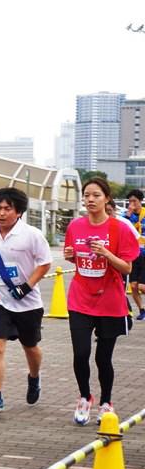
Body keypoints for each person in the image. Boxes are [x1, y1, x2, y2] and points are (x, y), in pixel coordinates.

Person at [63, 178, 137, 425]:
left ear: (106, 198)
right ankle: (85, 397)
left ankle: (106, 402)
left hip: (110, 301)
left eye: (96, 195)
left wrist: (106, 253)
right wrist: (71, 257)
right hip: (80, 299)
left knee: (103, 358)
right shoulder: (75, 226)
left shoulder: (120, 229)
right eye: (86, 195)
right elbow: (78, 260)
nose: (90, 200)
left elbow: (126, 268)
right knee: (80, 353)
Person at [0, 188, 52, 419]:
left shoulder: (32, 235)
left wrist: (26, 286)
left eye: (8, 208)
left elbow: (45, 263)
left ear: (18, 212)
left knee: (31, 347)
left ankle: (34, 377)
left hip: (27, 302)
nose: (2, 212)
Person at [122, 189, 145, 320]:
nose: (132, 204)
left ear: (140, 201)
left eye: (134, 201)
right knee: (134, 286)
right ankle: (142, 310)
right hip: (134, 255)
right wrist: (128, 216)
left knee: (142, 286)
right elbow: (123, 230)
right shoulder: (127, 218)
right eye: (130, 201)